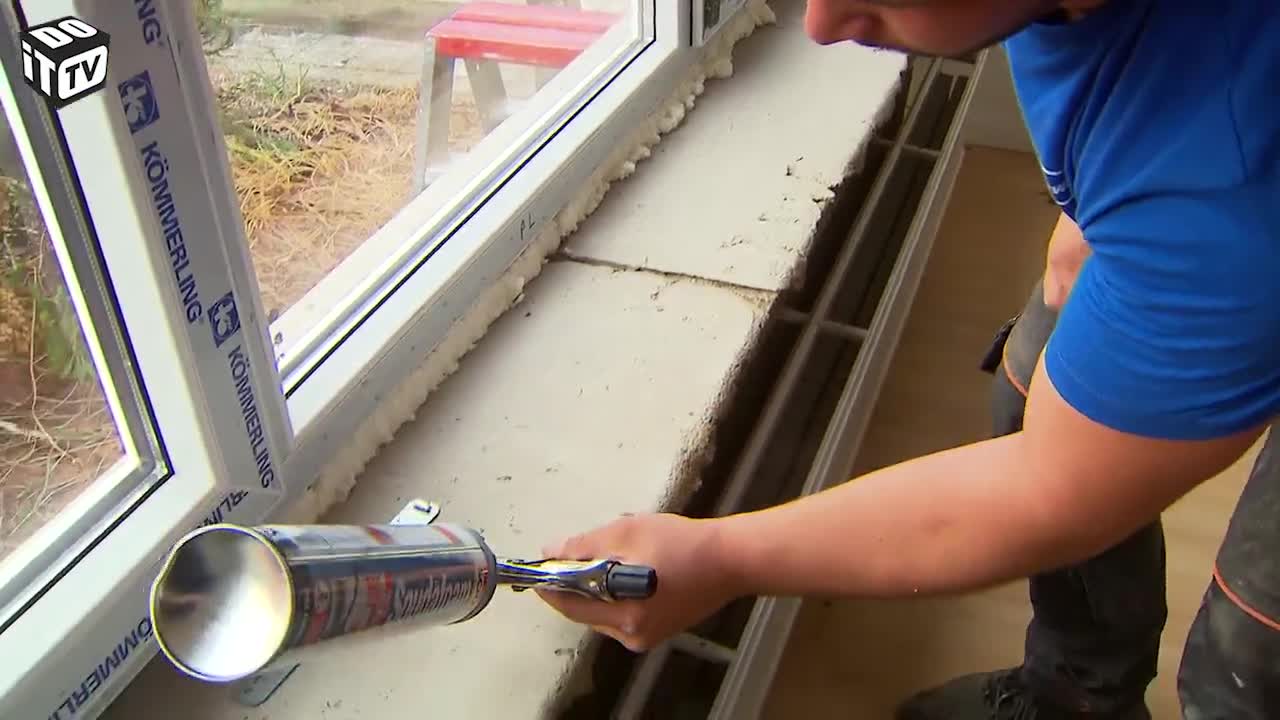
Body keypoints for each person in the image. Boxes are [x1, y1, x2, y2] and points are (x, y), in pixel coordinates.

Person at [536, 1, 1280, 718]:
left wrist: (723, 558)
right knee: (1027, 392)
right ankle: (1079, 693)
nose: (823, 25)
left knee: (1248, 660)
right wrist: (1096, 198)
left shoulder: (1223, 201)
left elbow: (1048, 490)